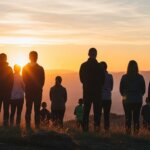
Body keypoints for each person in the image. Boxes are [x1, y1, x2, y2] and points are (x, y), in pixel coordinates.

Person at [79, 48, 105, 132]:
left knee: (86, 111)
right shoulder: (100, 66)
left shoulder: (83, 65)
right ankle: (96, 129)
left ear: (88, 54)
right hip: (97, 92)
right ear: (96, 54)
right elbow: (103, 80)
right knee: (97, 112)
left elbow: (81, 79)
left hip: (87, 91)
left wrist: (87, 85)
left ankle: (85, 129)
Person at [120, 60, 145, 134]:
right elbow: (143, 89)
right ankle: (136, 134)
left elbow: (121, 89)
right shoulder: (140, 77)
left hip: (127, 100)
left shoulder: (124, 77)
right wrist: (139, 95)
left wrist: (124, 97)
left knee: (128, 118)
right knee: (136, 118)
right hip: (137, 100)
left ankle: (128, 133)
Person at [22, 51, 45, 129]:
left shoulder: (25, 68)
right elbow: (42, 81)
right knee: (36, 110)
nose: (35, 57)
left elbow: (24, 80)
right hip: (37, 92)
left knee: (29, 109)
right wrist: (38, 87)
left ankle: (28, 126)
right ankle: (36, 126)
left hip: (29, 91)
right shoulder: (40, 68)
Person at [0, 53, 14, 127]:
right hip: (6, 93)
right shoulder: (9, 68)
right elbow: (11, 81)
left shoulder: (9, 68)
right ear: (6, 59)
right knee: (6, 110)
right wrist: (9, 91)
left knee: (5, 110)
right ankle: (5, 125)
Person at [99, 61, 113, 131]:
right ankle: (106, 130)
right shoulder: (110, 76)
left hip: (99, 98)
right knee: (106, 115)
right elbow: (111, 88)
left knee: (98, 114)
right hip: (108, 98)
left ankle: (97, 129)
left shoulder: (97, 76)